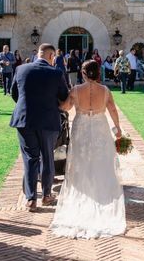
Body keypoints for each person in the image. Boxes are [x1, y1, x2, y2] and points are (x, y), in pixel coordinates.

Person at [50, 60, 125, 238]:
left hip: (81, 126)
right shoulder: (105, 91)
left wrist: (58, 99)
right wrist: (118, 129)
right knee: (101, 160)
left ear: (83, 73)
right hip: (100, 126)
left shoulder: (76, 90)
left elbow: (65, 107)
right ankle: (102, 195)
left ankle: (84, 193)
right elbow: (113, 110)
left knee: (80, 161)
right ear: (98, 73)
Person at [10, 43, 70, 212]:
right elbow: (64, 97)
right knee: (47, 158)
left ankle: (30, 199)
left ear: (38, 54)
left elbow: (15, 93)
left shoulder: (21, 69)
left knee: (30, 158)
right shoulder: (56, 73)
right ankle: (46, 195)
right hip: (48, 121)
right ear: (51, 56)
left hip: (24, 120)